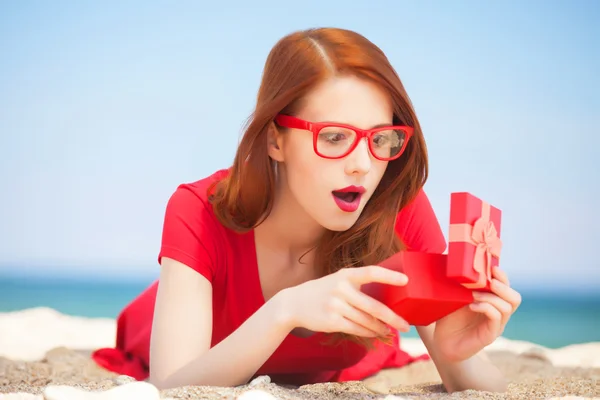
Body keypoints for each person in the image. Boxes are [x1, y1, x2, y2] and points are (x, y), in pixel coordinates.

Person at [91, 27, 521, 392]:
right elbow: (174, 388)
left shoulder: (396, 205)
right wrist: (285, 310)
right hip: (168, 319)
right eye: (334, 137)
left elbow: (476, 385)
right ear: (275, 140)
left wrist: (455, 354)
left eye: (380, 138)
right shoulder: (198, 208)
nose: (363, 164)